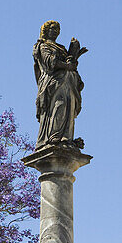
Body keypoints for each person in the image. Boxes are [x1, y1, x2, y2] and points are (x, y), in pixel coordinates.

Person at [33, 20, 85, 148]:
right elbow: (50, 63)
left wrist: (73, 53)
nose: (55, 31)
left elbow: (71, 64)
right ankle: (53, 136)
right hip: (53, 83)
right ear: (46, 31)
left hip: (68, 82)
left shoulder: (61, 48)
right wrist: (67, 65)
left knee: (69, 107)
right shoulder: (43, 46)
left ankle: (66, 137)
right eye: (52, 29)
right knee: (58, 106)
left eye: (57, 29)